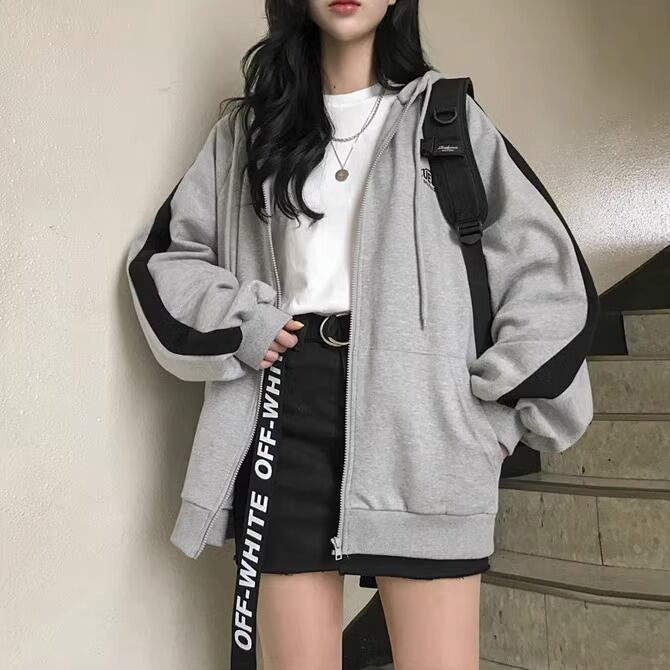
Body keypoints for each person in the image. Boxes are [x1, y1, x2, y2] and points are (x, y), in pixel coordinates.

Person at [125, 1, 597, 668]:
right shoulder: (250, 130)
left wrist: (489, 413)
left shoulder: (448, 120)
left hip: (423, 422)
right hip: (283, 412)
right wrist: (243, 321)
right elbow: (166, 258)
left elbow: (548, 274)